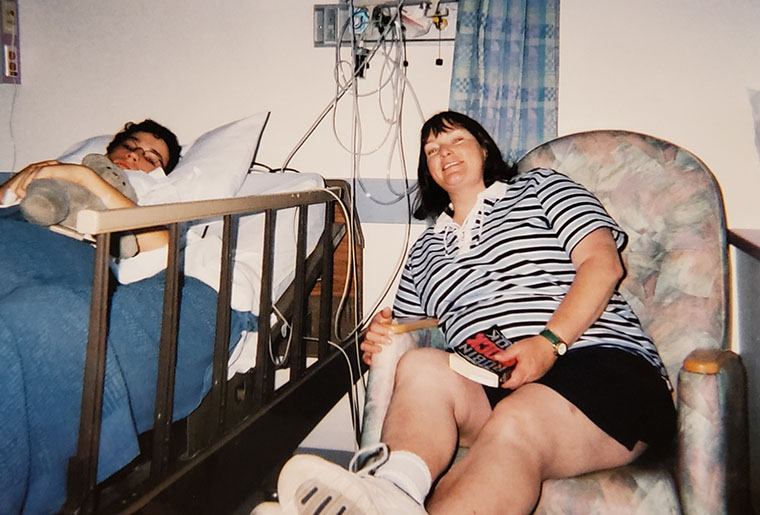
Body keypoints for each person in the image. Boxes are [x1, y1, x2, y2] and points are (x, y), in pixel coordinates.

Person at [255, 111, 676, 515]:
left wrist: (549, 344)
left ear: (485, 151)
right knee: (421, 366)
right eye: (432, 149)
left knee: (517, 420)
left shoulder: (541, 188)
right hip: (493, 378)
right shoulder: (425, 249)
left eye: (458, 139)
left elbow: (603, 265)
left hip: (597, 361)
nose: (445, 152)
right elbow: (412, 326)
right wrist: (383, 333)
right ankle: (392, 491)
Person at [0, 119, 181, 253]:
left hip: (60, 250)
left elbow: (163, 246)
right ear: (109, 150)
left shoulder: (150, 192)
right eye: (129, 146)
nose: (134, 155)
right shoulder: (59, 169)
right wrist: (28, 172)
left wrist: (84, 177)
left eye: (150, 158)